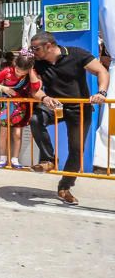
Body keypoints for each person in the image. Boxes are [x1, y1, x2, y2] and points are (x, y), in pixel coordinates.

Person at [27, 32, 110, 205]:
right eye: (32, 48)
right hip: (55, 105)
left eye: (36, 48)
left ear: (49, 46)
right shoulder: (36, 62)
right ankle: (49, 160)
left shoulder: (77, 54)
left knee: (76, 150)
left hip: (78, 108)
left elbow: (101, 70)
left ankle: (65, 187)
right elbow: (35, 89)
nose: (33, 51)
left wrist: (101, 92)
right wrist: (44, 98)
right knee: (35, 119)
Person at [0, 54, 41, 169]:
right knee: (3, 132)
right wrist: (4, 88)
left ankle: (15, 159)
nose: (19, 73)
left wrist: (31, 72)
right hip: (7, 105)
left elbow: (36, 85)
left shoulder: (29, 74)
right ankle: (2, 158)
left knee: (17, 134)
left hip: (21, 106)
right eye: (18, 70)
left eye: (23, 72)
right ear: (14, 64)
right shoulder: (7, 71)